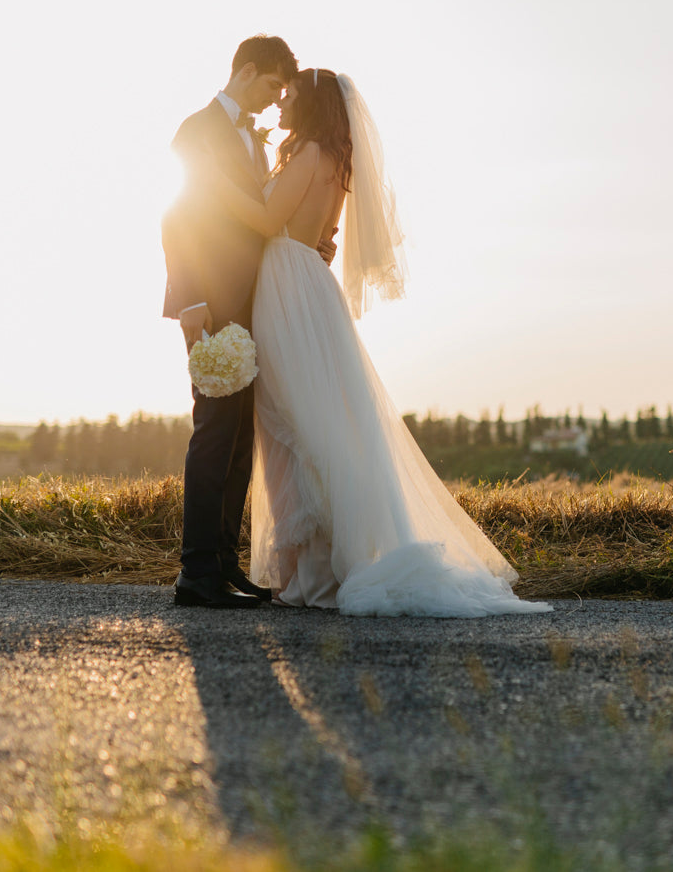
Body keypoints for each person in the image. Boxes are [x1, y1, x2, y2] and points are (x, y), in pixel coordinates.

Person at [199, 67, 550, 617]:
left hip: (288, 289)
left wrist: (217, 189)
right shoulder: (338, 162)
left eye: (291, 96)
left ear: (312, 105)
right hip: (308, 287)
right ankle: (311, 572)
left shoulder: (310, 153)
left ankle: (315, 577)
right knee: (317, 421)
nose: (282, 103)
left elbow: (268, 219)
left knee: (294, 426)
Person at [162, 35, 331, 609]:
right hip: (211, 301)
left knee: (239, 444)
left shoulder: (258, 141)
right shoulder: (198, 130)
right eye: (273, 87)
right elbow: (177, 216)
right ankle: (195, 574)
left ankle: (223, 566)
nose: (278, 99)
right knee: (213, 434)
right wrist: (188, 299)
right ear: (248, 72)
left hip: (260, 305)